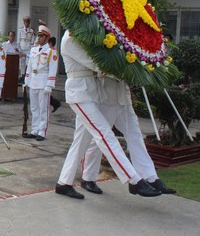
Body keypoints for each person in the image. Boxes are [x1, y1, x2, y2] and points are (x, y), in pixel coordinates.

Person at [55, 30, 162, 199]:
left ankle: (63, 183)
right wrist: (132, 71)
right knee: (104, 134)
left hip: (93, 92)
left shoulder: (82, 37)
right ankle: (132, 179)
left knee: (81, 142)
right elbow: (97, 64)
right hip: (80, 93)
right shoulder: (70, 40)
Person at [67, 74, 176, 196]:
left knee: (135, 136)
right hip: (106, 98)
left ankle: (150, 176)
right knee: (100, 140)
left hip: (123, 97)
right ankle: (88, 177)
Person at [23, 24, 57, 140]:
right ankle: (34, 129)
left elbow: (52, 70)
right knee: (34, 107)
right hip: (34, 81)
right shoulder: (33, 50)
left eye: (42, 36)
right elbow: (29, 66)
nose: (39, 38)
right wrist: (26, 80)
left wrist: (49, 85)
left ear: (47, 38)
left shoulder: (51, 52)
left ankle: (42, 131)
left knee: (43, 108)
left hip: (43, 81)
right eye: (38, 35)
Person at [47, 36, 62, 113]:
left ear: (50, 43)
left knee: (46, 93)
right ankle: (55, 103)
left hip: (48, 75)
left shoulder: (52, 51)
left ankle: (55, 103)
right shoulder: (51, 51)